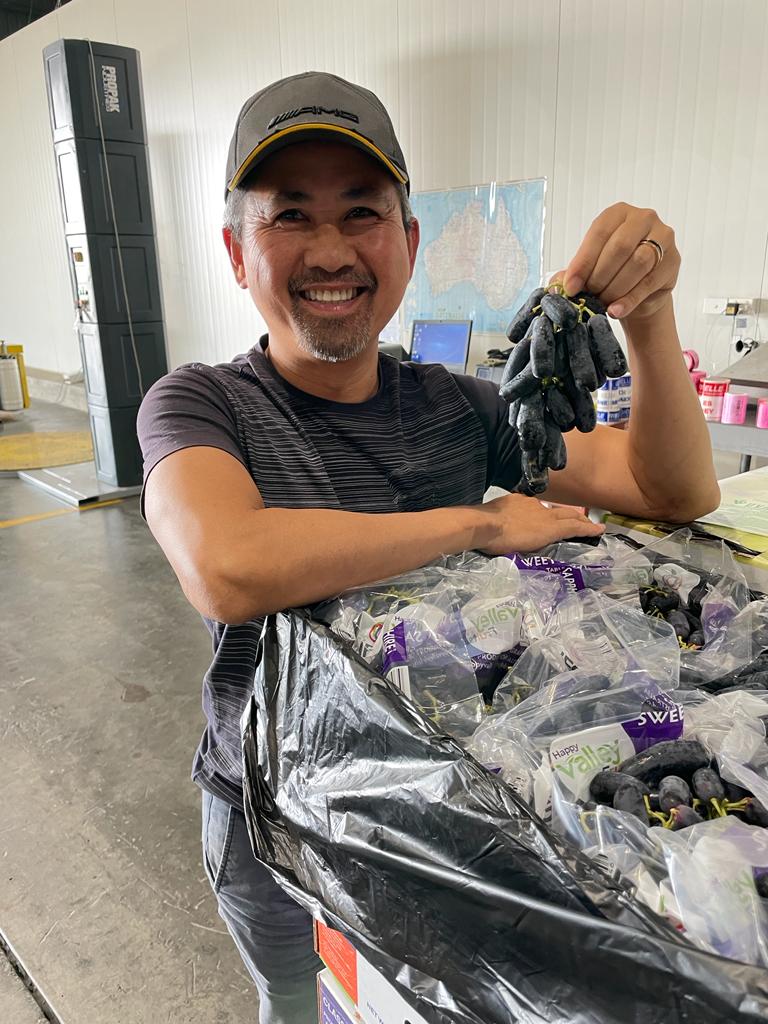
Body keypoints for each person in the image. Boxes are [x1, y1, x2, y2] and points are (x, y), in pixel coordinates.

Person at [136, 70, 719, 1023]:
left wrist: (649, 319)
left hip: (443, 828)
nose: (330, 249)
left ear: (407, 244)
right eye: (289, 217)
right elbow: (226, 564)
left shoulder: (463, 407)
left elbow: (671, 490)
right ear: (238, 253)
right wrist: (484, 523)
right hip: (268, 816)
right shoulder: (200, 405)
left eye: (361, 213)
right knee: (297, 997)